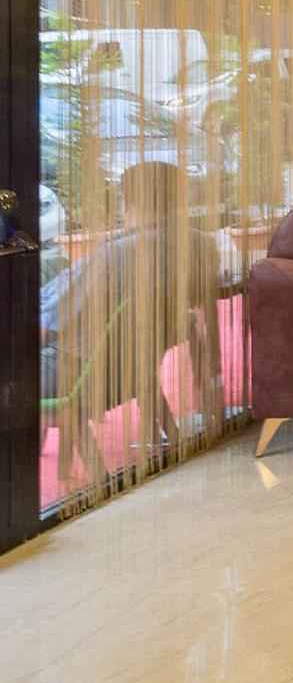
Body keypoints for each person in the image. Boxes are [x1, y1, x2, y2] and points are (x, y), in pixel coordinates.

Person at [40, 160, 223, 475]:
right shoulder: (200, 245)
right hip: (132, 365)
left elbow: (46, 327)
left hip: (78, 371)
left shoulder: (115, 254)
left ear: (130, 202)